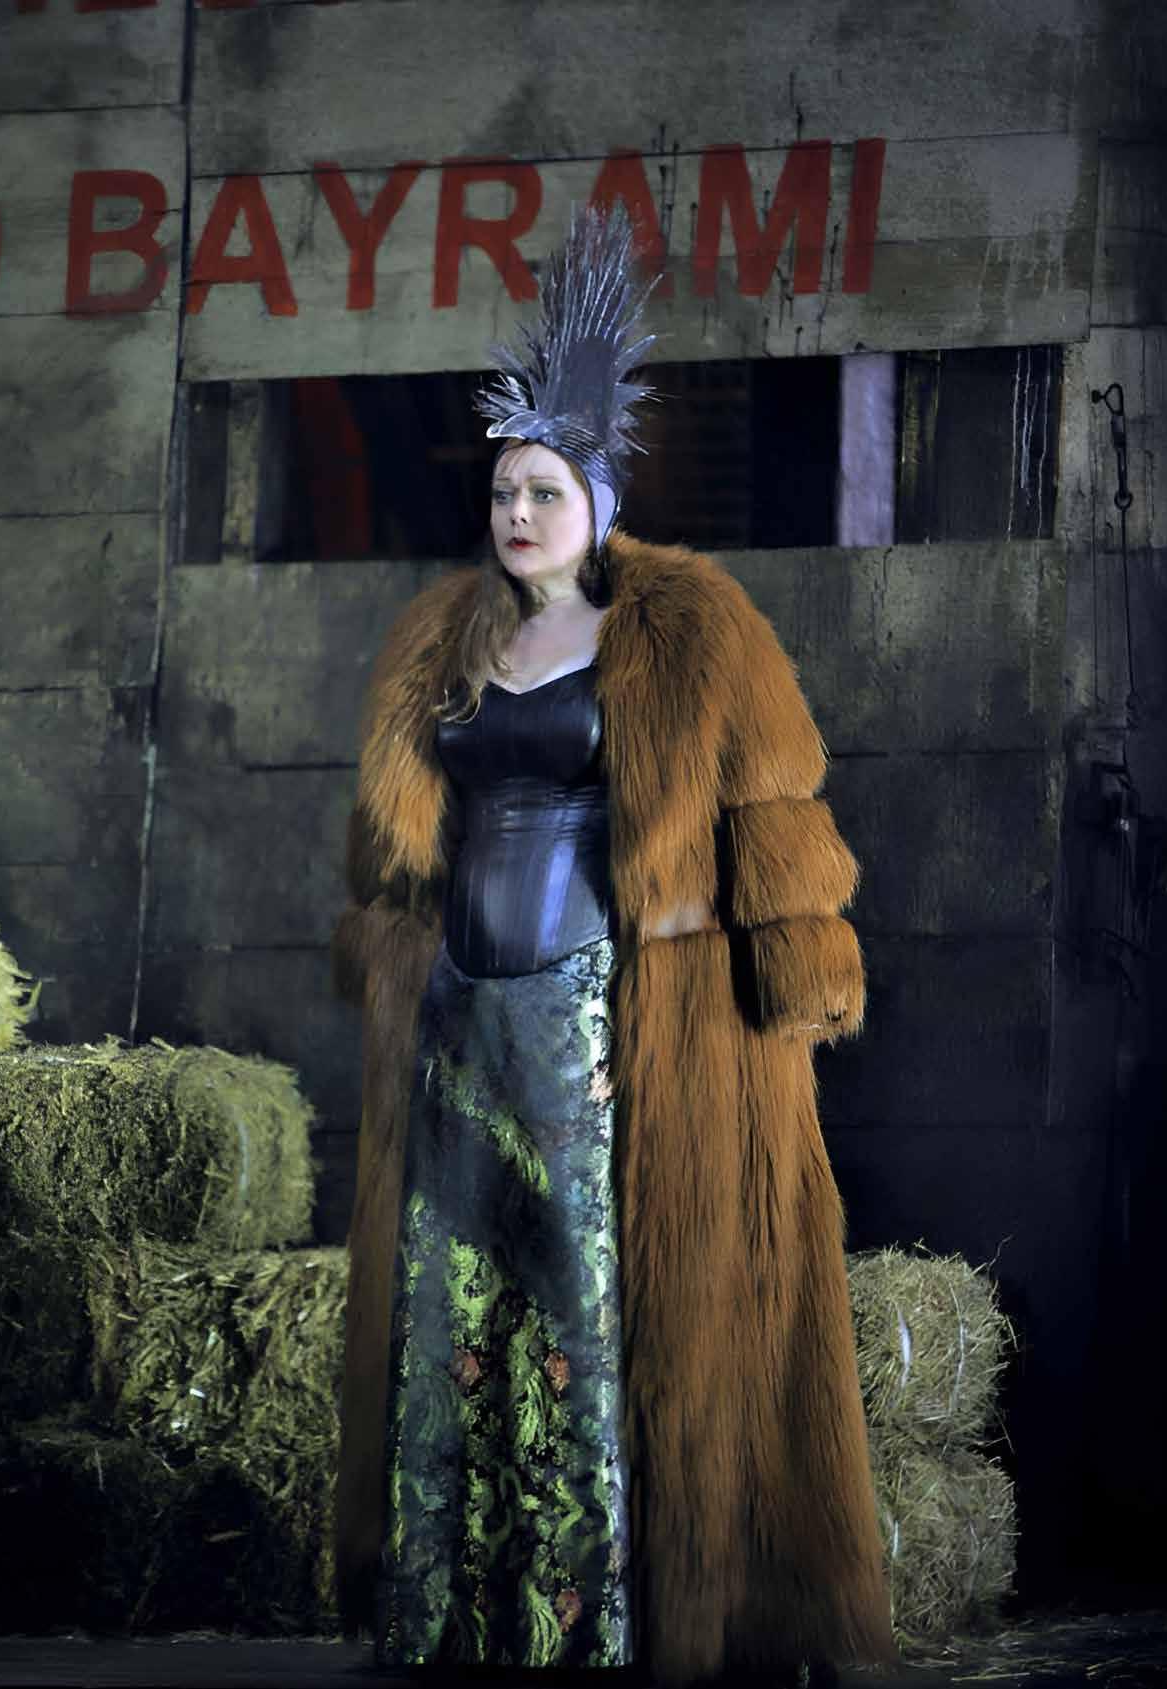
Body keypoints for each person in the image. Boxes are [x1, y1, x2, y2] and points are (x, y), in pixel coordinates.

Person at [332, 205, 895, 1688]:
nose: (517, 515)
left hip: (607, 1026)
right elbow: (396, 851)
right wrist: (397, 966)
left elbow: (769, 810)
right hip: (464, 1027)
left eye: (543, 491)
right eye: (501, 493)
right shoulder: (443, 641)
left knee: (596, 1318)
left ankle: (602, 1618)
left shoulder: (691, 629)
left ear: (597, 497)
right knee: (468, 1317)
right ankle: (468, 1613)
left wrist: (791, 975)